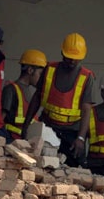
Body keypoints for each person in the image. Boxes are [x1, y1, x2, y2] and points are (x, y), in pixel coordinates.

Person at [21, 32, 95, 167]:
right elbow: (37, 97)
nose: (72, 61)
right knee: (41, 165)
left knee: (71, 169)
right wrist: (27, 123)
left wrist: (80, 138)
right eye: (69, 57)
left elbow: (86, 109)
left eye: (75, 58)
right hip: (48, 127)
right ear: (62, 52)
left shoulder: (87, 76)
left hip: (71, 132)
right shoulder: (50, 69)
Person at [2, 49, 47, 142]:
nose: (42, 79)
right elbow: (1, 119)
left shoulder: (29, 91)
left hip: (23, 142)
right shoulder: (10, 89)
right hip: (11, 141)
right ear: (30, 70)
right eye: (40, 74)